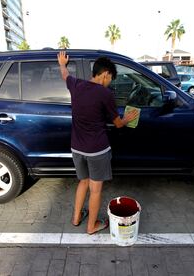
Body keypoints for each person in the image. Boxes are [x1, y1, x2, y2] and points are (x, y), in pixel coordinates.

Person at [57, 51, 139, 234]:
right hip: (97, 150)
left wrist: (62, 63)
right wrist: (128, 118)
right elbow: (118, 124)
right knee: (95, 189)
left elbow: (65, 75)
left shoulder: (76, 84)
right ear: (105, 74)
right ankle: (91, 226)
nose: (110, 82)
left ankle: (76, 217)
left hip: (77, 148)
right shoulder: (105, 93)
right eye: (111, 78)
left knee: (82, 182)